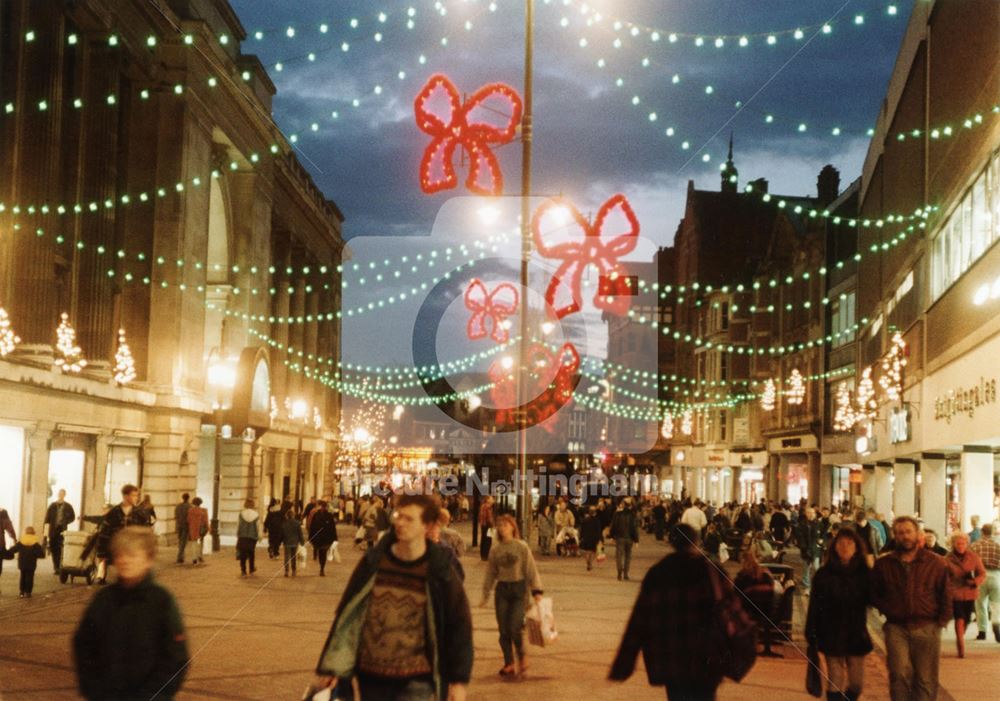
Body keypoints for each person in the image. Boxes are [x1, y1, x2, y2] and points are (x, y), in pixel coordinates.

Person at [313, 494, 472, 700]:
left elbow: (459, 624)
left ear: (427, 525)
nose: (400, 522)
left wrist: (458, 680)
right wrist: (334, 667)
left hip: (417, 677)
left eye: (409, 519)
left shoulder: (439, 569)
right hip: (371, 675)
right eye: (398, 515)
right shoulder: (374, 562)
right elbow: (348, 616)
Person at [610, 524, 751, 700]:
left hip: (672, 658)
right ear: (696, 541)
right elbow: (732, 609)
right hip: (706, 658)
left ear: (671, 542)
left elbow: (639, 619)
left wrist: (624, 663)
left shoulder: (658, 573)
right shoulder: (711, 571)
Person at [73, 527, 189, 700]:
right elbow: (83, 644)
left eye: (132, 555)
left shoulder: (161, 601)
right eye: (120, 555)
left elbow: (175, 658)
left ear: (148, 559)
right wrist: (94, 689)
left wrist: (151, 696)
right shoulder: (104, 599)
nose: (124, 561)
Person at [871, 516, 951, 701]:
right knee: (898, 673)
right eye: (900, 533)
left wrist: (942, 621)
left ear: (918, 534)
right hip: (896, 627)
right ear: (894, 536)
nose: (904, 536)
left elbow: (946, 593)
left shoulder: (936, 563)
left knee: (925, 678)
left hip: (927, 626)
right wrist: (888, 608)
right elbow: (873, 593)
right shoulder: (884, 564)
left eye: (908, 531)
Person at [805, 528, 874, 701]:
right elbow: (814, 605)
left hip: (856, 632)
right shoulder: (823, 575)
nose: (845, 547)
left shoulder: (864, 574)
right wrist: (811, 630)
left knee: (857, 683)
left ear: (857, 548)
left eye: (850, 543)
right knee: (835, 679)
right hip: (830, 631)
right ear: (834, 547)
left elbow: (875, 597)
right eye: (841, 543)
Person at [481, 514, 544, 678]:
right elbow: (490, 573)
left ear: (512, 527)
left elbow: (531, 569)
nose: (502, 527)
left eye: (505, 524)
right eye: (499, 525)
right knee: (503, 630)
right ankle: (509, 662)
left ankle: (522, 656)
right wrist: (485, 593)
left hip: (519, 589)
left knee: (515, 627)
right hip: (502, 590)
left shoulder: (521, 546)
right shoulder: (495, 549)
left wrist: (536, 591)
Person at [734, 546, 780, 658]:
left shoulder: (743, 575)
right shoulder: (763, 572)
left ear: (744, 560)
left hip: (752, 611)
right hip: (767, 610)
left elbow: (737, 593)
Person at [945, 531, 985, 658]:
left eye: (963, 543)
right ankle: (960, 643)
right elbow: (943, 576)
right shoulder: (947, 559)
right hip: (954, 593)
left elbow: (982, 573)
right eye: (958, 543)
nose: (960, 546)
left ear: (967, 544)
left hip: (970, 592)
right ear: (953, 544)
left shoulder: (974, 557)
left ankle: (961, 635)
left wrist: (975, 581)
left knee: (966, 618)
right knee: (959, 617)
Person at [95, 485, 143, 583]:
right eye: (134, 495)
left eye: (137, 495)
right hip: (116, 547)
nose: (136, 498)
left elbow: (144, 533)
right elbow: (105, 532)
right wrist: (101, 552)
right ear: (126, 496)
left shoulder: (139, 513)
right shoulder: (114, 512)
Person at [969, 522, 1000, 641]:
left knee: (980, 604)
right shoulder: (998, 544)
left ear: (982, 532)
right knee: (996, 604)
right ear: (993, 532)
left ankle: (982, 631)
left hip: (980, 576)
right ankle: (997, 623)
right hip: (996, 575)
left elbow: (970, 561)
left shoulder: (975, 545)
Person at [44, 489, 76, 573]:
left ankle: (59, 566)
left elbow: (73, 517)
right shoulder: (52, 506)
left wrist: (66, 521)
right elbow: (47, 519)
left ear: (64, 495)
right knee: (53, 548)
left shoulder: (68, 506)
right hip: (53, 530)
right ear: (58, 494)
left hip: (62, 530)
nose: (61, 495)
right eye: (59, 493)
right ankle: (56, 566)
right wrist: (45, 532)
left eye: (62, 494)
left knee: (60, 548)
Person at [11, 526, 45, 598]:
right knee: (30, 577)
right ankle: (28, 592)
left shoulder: (21, 541)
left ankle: (21, 592)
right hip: (31, 564)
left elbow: (13, 550)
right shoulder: (35, 543)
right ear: (33, 533)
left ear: (25, 533)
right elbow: (41, 555)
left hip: (22, 563)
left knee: (22, 576)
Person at [610, 499, 640, 581]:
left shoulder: (617, 514)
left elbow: (614, 526)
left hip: (619, 538)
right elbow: (634, 528)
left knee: (619, 556)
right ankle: (626, 573)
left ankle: (619, 572)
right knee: (628, 556)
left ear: (623, 505)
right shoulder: (632, 515)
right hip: (629, 538)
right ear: (630, 506)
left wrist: (612, 536)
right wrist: (636, 540)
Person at [796, 507, 824, 591]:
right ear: (806, 514)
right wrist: (803, 546)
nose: (811, 514)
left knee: (816, 566)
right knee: (806, 567)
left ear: (815, 514)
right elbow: (799, 536)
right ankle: (807, 584)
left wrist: (822, 540)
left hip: (815, 548)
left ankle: (818, 582)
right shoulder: (802, 524)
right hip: (806, 549)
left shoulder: (819, 523)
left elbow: (823, 534)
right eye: (809, 513)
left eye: (812, 513)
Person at [308, 500, 338, 577]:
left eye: (324, 507)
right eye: (323, 507)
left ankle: (322, 568)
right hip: (318, 537)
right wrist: (311, 536)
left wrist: (334, 537)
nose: (323, 508)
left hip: (326, 538)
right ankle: (321, 566)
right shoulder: (316, 515)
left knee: (323, 553)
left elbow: (332, 527)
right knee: (320, 553)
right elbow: (312, 526)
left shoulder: (329, 516)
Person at [236, 498, 260, 577]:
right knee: (251, 552)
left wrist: (238, 534)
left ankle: (243, 571)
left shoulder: (241, 514)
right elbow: (258, 526)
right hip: (252, 536)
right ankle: (251, 569)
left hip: (242, 535)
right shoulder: (256, 514)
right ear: (253, 504)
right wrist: (259, 536)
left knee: (243, 553)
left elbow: (238, 525)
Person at [282, 507, 304, 577]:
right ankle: (294, 570)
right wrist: (302, 541)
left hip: (287, 542)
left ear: (287, 516)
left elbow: (282, 534)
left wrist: (280, 541)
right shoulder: (297, 523)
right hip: (295, 542)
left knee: (286, 557)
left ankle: (286, 571)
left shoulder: (284, 524)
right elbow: (300, 533)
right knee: (293, 557)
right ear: (293, 515)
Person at [579, 506, 603, 571]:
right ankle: (590, 562)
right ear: (594, 512)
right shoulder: (597, 520)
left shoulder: (585, 520)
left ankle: (588, 562)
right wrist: (601, 539)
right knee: (593, 552)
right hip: (594, 538)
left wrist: (580, 537)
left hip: (586, 538)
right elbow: (599, 530)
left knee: (586, 551)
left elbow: (582, 530)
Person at [186, 497, 209, 565]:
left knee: (194, 544)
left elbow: (188, 520)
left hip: (193, 529)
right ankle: (200, 556)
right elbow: (206, 521)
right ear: (200, 503)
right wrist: (208, 528)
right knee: (201, 543)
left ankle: (194, 559)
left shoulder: (190, 510)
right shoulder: (204, 511)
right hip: (201, 529)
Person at [174, 493, 191, 564]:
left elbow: (175, 516)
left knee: (180, 540)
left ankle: (181, 556)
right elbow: (190, 518)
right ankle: (179, 557)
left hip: (179, 525)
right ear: (188, 498)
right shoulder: (190, 507)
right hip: (186, 526)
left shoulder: (178, 506)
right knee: (183, 542)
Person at [479, 495, 495, 561]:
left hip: (483, 525)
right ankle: (486, 555)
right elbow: (489, 518)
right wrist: (493, 525)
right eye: (491, 499)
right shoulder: (488, 507)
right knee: (488, 540)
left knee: (483, 539)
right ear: (488, 500)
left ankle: (483, 555)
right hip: (488, 525)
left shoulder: (482, 506)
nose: (493, 500)